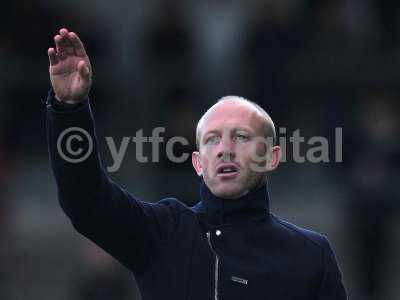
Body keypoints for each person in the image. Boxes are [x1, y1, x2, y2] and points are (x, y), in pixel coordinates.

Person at [46, 28, 347, 300]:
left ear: (272, 157)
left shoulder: (310, 256)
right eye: (213, 140)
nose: (225, 150)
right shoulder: (163, 234)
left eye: (241, 137)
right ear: (198, 163)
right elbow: (86, 201)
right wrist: (70, 109)